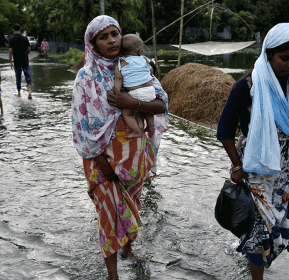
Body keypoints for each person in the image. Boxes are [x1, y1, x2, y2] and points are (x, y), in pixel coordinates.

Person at [71, 15, 168, 280]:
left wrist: (131, 101)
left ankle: (128, 248)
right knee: (108, 215)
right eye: (104, 37)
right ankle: (112, 274)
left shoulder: (133, 65)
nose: (112, 40)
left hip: (133, 158)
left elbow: (160, 103)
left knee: (129, 207)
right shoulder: (86, 76)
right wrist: (101, 162)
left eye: (115, 34)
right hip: (100, 159)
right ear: (93, 43)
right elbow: (81, 125)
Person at [216, 23, 289, 280]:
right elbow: (224, 130)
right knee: (258, 232)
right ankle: (256, 271)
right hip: (254, 169)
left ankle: (257, 262)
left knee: (282, 226)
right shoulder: (247, 87)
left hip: (281, 171)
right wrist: (237, 167)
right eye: (285, 58)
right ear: (268, 52)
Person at [114, 34, 155, 139]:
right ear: (141, 51)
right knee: (147, 109)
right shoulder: (144, 59)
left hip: (135, 93)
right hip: (150, 91)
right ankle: (150, 126)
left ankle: (136, 131)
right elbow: (151, 71)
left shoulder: (121, 63)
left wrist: (116, 92)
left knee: (126, 113)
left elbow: (118, 79)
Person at [8, 24, 33, 99]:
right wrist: (26, 55)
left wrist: (10, 62)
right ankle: (30, 93)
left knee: (18, 77)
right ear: (20, 30)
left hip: (17, 61)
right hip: (25, 60)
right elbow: (29, 49)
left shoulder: (11, 39)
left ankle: (19, 93)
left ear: (13, 30)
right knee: (28, 76)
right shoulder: (25, 38)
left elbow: (10, 52)